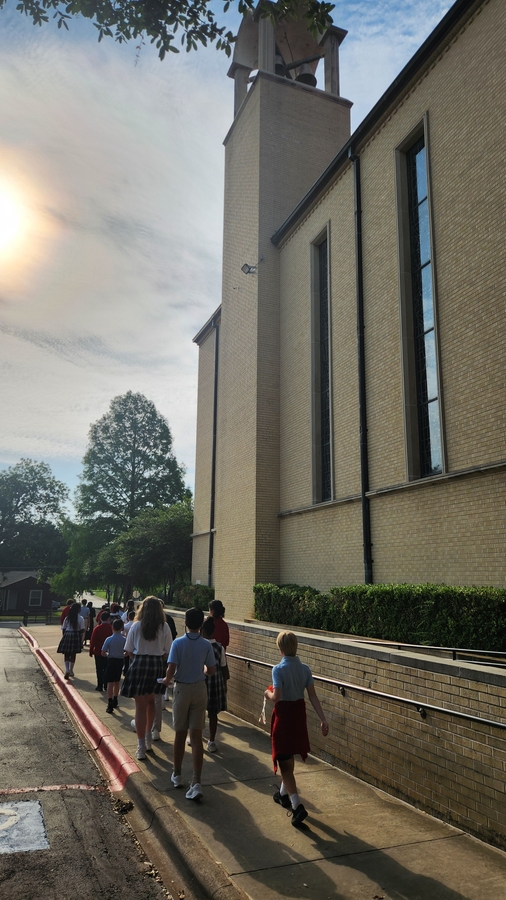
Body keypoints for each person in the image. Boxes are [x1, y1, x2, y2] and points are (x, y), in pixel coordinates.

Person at [264, 631, 329, 828]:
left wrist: (267, 693)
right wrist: (323, 719)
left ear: (280, 648)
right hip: (298, 718)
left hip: (284, 718)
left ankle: (297, 805)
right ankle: (282, 794)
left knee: (284, 761)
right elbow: (312, 696)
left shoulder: (278, 670)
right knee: (289, 756)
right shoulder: (305, 669)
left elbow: (277, 697)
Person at [162, 607, 216, 801]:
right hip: (200, 688)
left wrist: (166, 680)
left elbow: (171, 668)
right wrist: (202, 670)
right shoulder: (206, 645)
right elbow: (211, 670)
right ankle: (196, 781)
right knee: (196, 735)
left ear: (185, 622)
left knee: (180, 733)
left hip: (182, 688)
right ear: (201, 624)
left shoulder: (178, 643)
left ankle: (177, 774)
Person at [121, 596, 173, 760]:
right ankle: (149, 737)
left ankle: (141, 745)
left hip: (139, 664)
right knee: (152, 703)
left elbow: (129, 650)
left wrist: (138, 660)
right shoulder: (164, 626)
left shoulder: (136, 626)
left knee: (140, 707)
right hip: (157, 665)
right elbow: (168, 651)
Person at [201, 616, 227, 753]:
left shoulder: (199, 646)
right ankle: (211, 741)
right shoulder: (219, 647)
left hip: (200, 681)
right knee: (213, 713)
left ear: (202, 631)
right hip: (215, 682)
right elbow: (223, 666)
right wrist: (225, 683)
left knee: (198, 711)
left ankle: (195, 736)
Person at [102, 619, 127, 714]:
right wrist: (123, 655)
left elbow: (103, 652)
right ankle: (115, 698)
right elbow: (127, 651)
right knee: (117, 681)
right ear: (121, 628)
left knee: (110, 682)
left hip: (111, 660)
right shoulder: (124, 639)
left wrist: (108, 654)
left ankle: (109, 702)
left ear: (112, 627)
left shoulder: (109, 639)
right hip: (120, 661)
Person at [57, 602, 85, 680]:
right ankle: (71, 670)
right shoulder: (80, 618)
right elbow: (82, 629)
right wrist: (79, 633)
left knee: (66, 653)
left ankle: (67, 669)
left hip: (67, 634)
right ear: (78, 609)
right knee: (73, 653)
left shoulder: (67, 618)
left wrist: (64, 636)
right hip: (76, 635)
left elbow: (64, 628)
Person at [89, 611, 113, 691]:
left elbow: (93, 641)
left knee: (99, 669)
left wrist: (91, 650)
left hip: (98, 651)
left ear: (100, 619)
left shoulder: (97, 628)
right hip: (109, 652)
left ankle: (100, 685)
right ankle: (106, 685)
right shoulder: (111, 628)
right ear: (109, 619)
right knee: (107, 669)